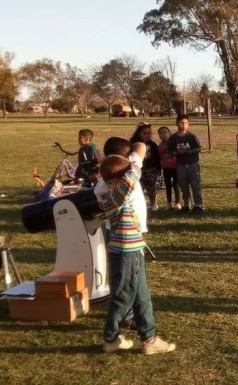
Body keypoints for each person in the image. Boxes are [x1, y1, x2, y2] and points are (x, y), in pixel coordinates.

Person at [95, 145, 176, 355]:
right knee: (123, 297)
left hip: (133, 250)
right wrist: (135, 161)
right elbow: (131, 179)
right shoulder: (113, 196)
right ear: (116, 180)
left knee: (142, 297)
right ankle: (110, 338)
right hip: (126, 253)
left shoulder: (112, 195)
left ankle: (149, 339)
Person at [167, 114, 204, 214]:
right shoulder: (173, 138)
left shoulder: (192, 136)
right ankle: (187, 204)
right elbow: (169, 151)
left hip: (192, 164)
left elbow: (198, 148)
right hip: (181, 165)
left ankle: (198, 205)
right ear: (177, 123)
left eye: (186, 123)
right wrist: (177, 151)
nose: (183, 125)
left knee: (195, 184)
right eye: (181, 123)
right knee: (183, 185)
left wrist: (187, 150)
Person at [129, 122, 161, 211]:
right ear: (139, 133)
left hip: (151, 170)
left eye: (149, 133)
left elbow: (157, 157)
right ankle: (140, 203)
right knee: (139, 188)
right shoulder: (133, 144)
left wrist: (158, 168)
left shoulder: (152, 145)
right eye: (144, 133)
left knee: (151, 188)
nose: (147, 135)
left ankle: (153, 203)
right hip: (138, 170)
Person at [157, 126, 182, 211]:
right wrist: (161, 167)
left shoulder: (174, 143)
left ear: (169, 133)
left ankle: (177, 203)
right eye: (161, 133)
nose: (163, 134)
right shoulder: (160, 146)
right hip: (166, 168)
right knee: (167, 185)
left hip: (175, 167)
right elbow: (160, 158)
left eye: (165, 132)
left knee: (176, 184)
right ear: (159, 136)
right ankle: (169, 203)